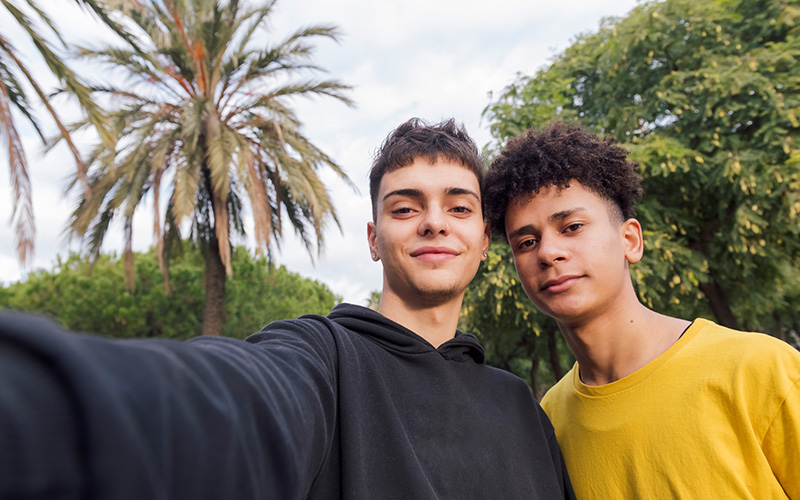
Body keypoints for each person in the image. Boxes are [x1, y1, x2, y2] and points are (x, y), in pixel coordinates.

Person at [0, 118, 575, 500]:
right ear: (373, 240)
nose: (434, 221)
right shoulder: (322, 357)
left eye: (458, 206)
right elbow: (223, 406)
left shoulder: (522, 409)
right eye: (405, 207)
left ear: (481, 239)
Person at [483, 121, 800, 499]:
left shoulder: (759, 370)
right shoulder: (549, 420)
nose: (548, 253)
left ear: (630, 240)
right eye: (527, 241)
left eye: (572, 226)